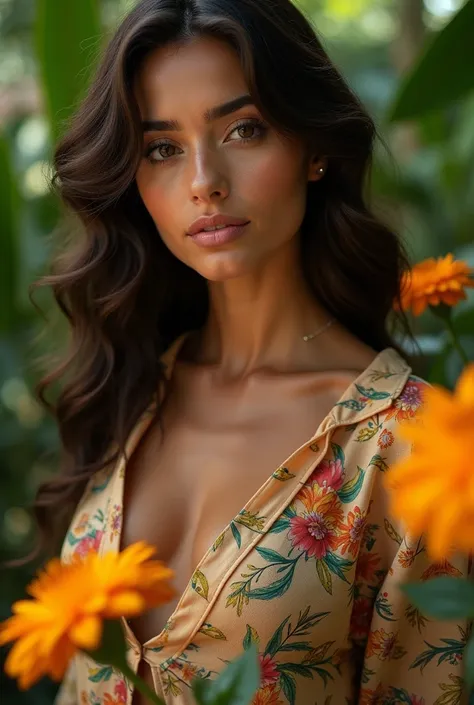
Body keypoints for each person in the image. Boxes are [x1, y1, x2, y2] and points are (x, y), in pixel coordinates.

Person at [31, 0, 468, 703]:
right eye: (161, 148)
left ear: (314, 147)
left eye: (244, 128)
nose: (203, 179)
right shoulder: (132, 382)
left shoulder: (408, 447)